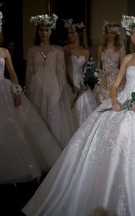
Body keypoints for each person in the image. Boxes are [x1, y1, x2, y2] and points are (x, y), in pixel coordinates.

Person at [22, 14, 135, 216]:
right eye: (133, 33)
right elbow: (116, 86)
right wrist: (116, 100)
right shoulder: (128, 57)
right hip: (121, 103)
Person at [0, 11, 61, 184]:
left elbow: (13, 75)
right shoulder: (29, 50)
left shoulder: (3, 51)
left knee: (9, 127)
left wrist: (16, 91)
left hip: (2, 89)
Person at [25, 14, 75, 148]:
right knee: (37, 115)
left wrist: (59, 90)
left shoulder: (57, 50)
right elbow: (29, 73)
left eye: (47, 30)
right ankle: (40, 149)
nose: (44, 33)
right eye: (41, 30)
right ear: (37, 31)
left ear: (51, 31)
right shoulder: (32, 50)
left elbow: (61, 73)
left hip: (53, 85)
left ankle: (53, 148)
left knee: (52, 115)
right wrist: (28, 91)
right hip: (36, 86)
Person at [63, 18, 98, 128]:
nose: (69, 35)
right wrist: (71, 85)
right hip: (69, 81)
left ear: (78, 34)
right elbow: (63, 68)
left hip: (81, 84)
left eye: (72, 32)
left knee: (84, 106)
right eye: (68, 32)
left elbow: (87, 70)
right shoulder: (66, 49)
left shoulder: (85, 51)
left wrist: (87, 83)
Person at [93, 21, 125, 105]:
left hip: (115, 77)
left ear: (116, 34)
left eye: (112, 33)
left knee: (113, 100)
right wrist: (97, 77)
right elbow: (99, 65)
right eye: (108, 33)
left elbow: (122, 66)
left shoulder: (120, 48)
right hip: (103, 77)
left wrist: (121, 79)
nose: (109, 35)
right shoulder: (101, 48)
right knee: (101, 101)